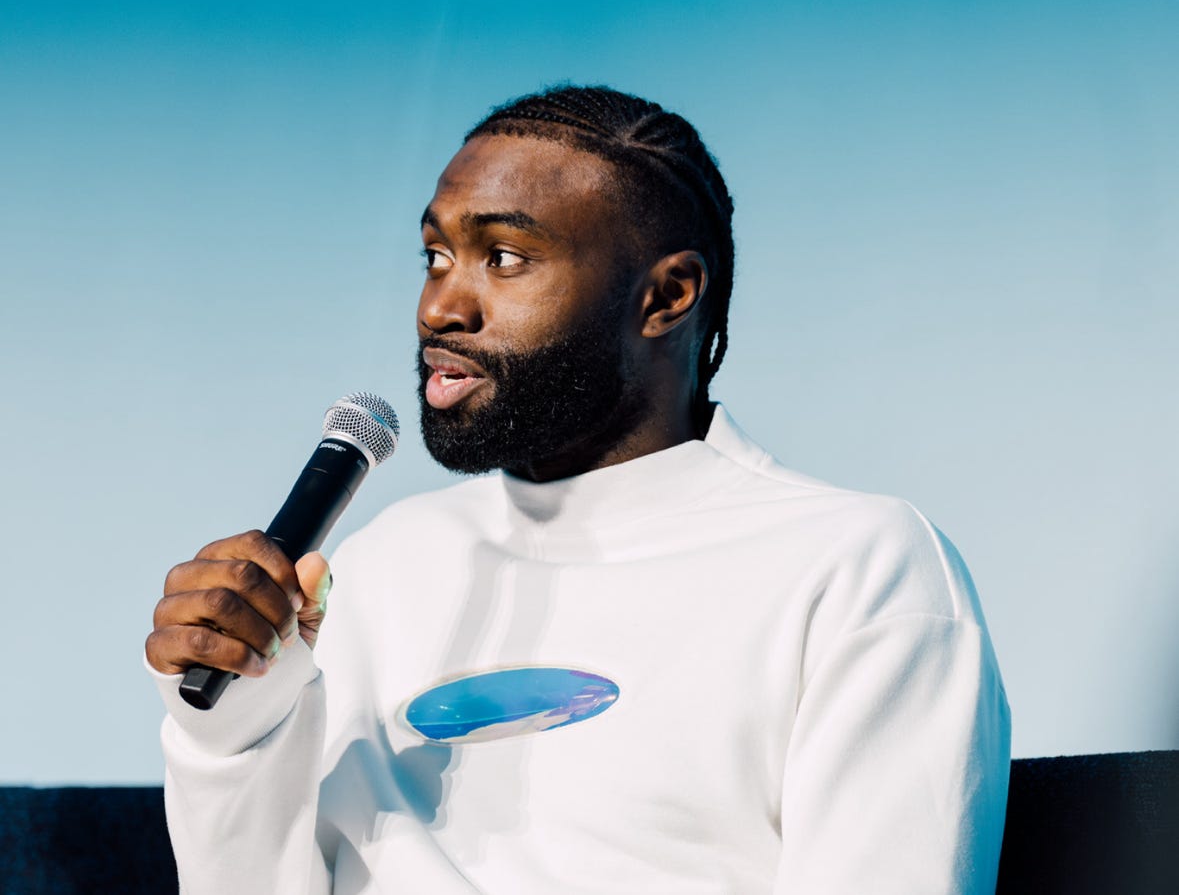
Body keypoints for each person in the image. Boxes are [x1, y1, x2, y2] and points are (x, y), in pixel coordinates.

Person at [147, 85, 1011, 894]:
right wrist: (232, 723)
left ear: (666, 295)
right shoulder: (375, 566)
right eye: (436, 254)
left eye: (505, 257)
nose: (440, 307)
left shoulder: (856, 566)